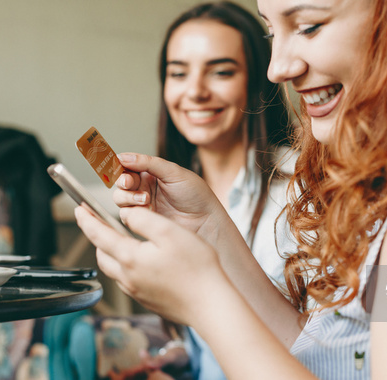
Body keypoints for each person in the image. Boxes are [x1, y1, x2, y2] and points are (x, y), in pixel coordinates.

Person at [76, 0, 387, 379]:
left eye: (308, 26)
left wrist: (205, 300)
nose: (277, 68)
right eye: (271, 32)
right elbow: (336, 361)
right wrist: (212, 232)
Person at [94, 2, 296, 379]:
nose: (196, 91)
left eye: (221, 71)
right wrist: (181, 357)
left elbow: (316, 343)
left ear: (259, 78)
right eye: (178, 73)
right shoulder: (167, 192)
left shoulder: (300, 187)